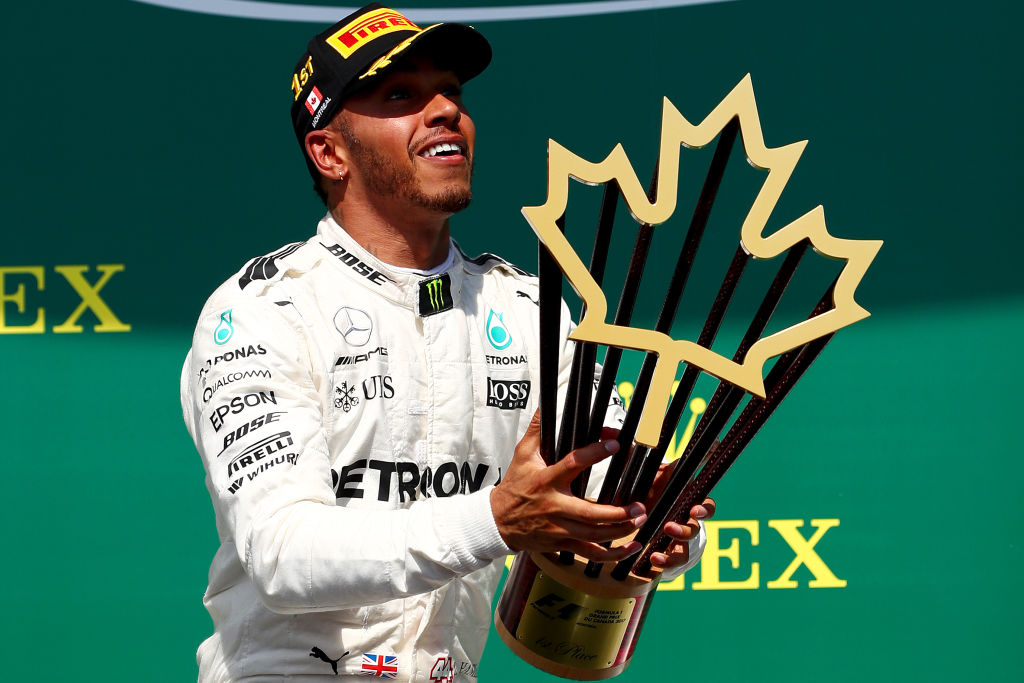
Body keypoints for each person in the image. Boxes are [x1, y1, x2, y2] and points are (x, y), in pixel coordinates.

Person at [180, 4, 713, 681]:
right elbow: (284, 554)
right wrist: (496, 518)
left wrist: (657, 521)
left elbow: (596, 490)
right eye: (400, 95)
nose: (444, 111)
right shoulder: (262, 310)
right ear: (329, 152)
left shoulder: (527, 309)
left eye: (451, 92)